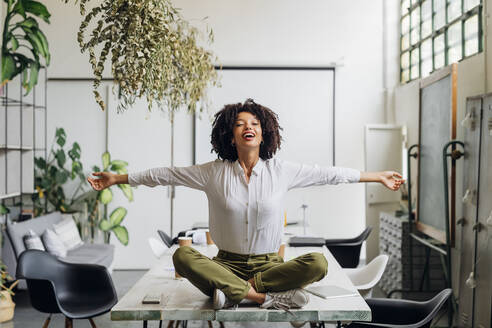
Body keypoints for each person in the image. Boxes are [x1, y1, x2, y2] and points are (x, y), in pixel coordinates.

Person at [88, 99, 404, 311]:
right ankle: (261, 298)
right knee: (183, 255)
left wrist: (376, 177)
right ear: (230, 134)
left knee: (319, 264)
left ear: (264, 133)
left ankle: (236, 291)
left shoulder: (282, 171)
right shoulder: (212, 172)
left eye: (254, 122)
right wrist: (117, 179)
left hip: (269, 265)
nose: (247, 127)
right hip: (225, 262)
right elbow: (165, 174)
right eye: (240, 123)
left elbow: (330, 175)